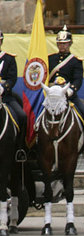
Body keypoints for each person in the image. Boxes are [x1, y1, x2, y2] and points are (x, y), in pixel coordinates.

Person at [48, 26, 84, 158]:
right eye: (60, 43)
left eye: (65, 43)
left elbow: (78, 80)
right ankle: (33, 147)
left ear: (70, 44)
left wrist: (70, 91)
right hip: (52, 98)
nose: (62, 46)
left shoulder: (75, 61)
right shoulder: (50, 59)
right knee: (34, 116)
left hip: (69, 96)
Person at [0, 30, 27, 161]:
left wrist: (3, 88)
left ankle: (20, 149)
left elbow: (12, 78)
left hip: (5, 97)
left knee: (21, 116)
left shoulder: (9, 58)